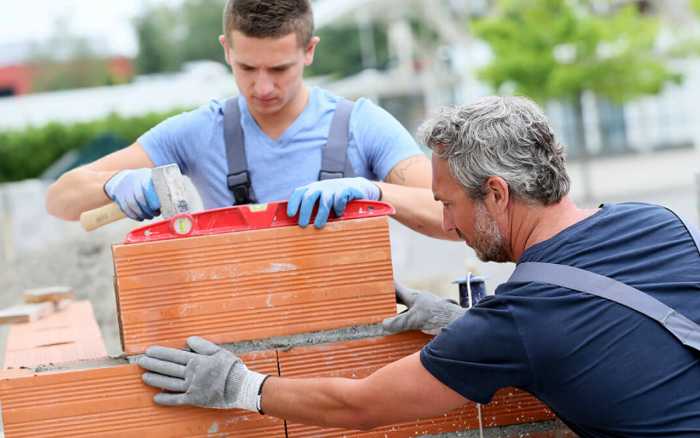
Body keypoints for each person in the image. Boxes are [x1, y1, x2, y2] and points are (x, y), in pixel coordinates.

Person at [137, 96, 700, 437]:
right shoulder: (655, 222)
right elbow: (610, 340)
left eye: (448, 203)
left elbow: (361, 406)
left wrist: (242, 385)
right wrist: (466, 326)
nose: (447, 225)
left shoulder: (521, 321)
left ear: (498, 194)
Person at [45, 0, 451, 238]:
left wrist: (373, 192)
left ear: (309, 50)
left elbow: (452, 217)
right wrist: (114, 183)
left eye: (279, 70)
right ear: (226, 50)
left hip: (354, 330)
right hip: (243, 337)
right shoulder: (198, 132)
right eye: (246, 68)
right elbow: (61, 200)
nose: (262, 88)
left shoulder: (363, 126)